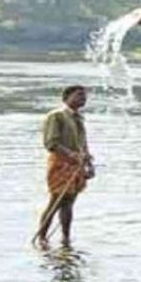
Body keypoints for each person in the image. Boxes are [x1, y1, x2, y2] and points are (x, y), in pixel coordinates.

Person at [34, 85, 95, 248]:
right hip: (61, 164)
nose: (83, 98)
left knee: (69, 202)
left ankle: (65, 238)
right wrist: (72, 155)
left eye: (85, 96)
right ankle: (42, 238)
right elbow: (51, 143)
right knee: (56, 200)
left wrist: (89, 164)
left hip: (77, 165)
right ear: (67, 97)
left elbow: (83, 144)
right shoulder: (57, 116)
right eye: (79, 95)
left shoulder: (78, 118)